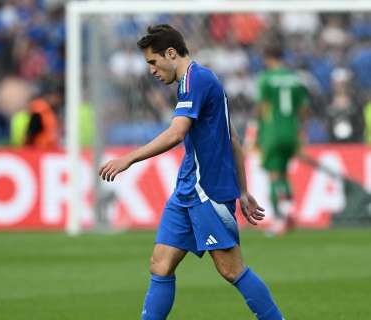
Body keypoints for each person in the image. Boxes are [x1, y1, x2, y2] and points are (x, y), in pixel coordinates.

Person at [99, 25, 284, 320]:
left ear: (170, 53)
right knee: (160, 264)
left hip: (206, 190)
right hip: (186, 188)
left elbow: (176, 133)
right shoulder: (195, 82)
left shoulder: (196, 80)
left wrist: (129, 158)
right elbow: (232, 138)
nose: (151, 70)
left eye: (153, 62)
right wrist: (244, 190)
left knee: (231, 269)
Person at [252, 42, 309, 235]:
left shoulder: (266, 78)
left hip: (273, 131)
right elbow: (303, 108)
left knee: (274, 175)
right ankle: (289, 214)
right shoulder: (294, 78)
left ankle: (279, 219)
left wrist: (254, 131)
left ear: (267, 58)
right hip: (291, 131)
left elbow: (261, 107)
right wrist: (299, 128)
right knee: (284, 173)